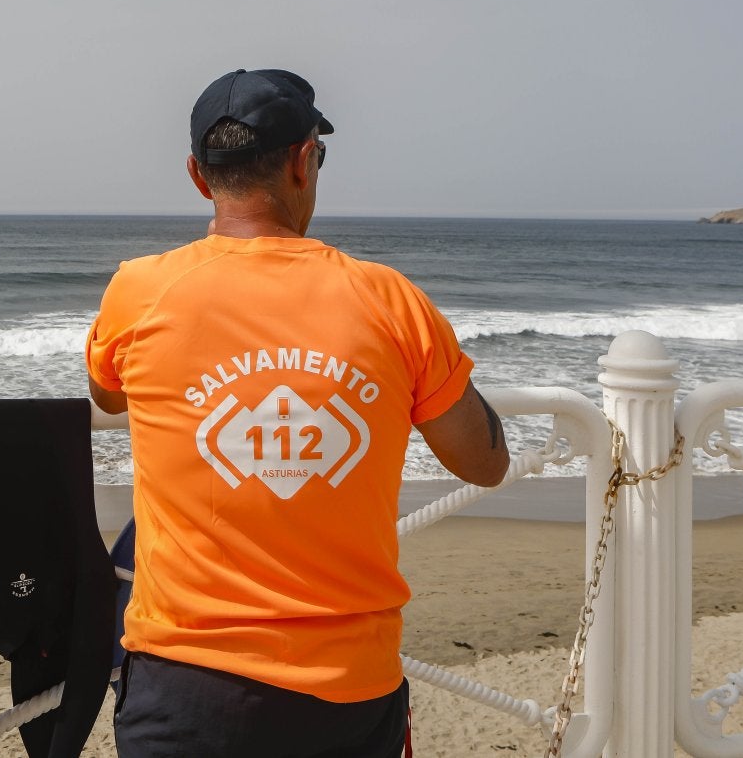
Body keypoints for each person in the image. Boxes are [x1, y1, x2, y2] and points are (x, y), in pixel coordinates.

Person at [85, 68, 510, 757]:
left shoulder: (138, 291)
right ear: (303, 161)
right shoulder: (391, 300)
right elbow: (484, 462)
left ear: (198, 176)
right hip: (347, 689)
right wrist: (430, 364)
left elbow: (108, 394)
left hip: (184, 684)